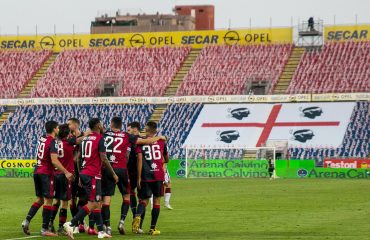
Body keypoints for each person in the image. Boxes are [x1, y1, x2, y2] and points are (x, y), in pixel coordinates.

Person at [101, 117, 167, 235]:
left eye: (130, 129)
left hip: (120, 170)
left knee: (138, 199)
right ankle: (134, 223)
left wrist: (139, 177)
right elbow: (163, 158)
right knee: (134, 197)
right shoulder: (128, 137)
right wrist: (161, 138)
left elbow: (139, 159)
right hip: (131, 172)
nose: (129, 130)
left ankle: (108, 226)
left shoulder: (106, 135)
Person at [64, 118, 118, 239]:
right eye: (102, 124)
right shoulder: (100, 139)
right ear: (98, 125)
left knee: (97, 202)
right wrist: (113, 174)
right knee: (93, 203)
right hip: (93, 174)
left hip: (84, 173)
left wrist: (80, 174)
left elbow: (78, 159)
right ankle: (71, 223)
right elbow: (104, 158)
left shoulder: (85, 138)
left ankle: (100, 231)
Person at [22, 121, 73, 236]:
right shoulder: (53, 141)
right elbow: (54, 160)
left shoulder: (42, 138)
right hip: (46, 173)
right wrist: (66, 172)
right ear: (55, 129)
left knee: (40, 199)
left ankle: (26, 221)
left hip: (37, 171)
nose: (58, 130)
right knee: (48, 200)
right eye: (57, 128)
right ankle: (44, 229)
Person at [132, 121, 169, 235]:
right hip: (158, 175)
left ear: (146, 130)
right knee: (157, 201)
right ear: (156, 130)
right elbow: (166, 158)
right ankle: (152, 229)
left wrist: (138, 177)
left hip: (145, 176)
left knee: (143, 201)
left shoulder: (141, 142)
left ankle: (137, 216)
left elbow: (139, 160)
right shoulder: (161, 142)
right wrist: (160, 162)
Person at [50, 124, 77, 235]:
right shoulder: (69, 144)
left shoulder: (54, 143)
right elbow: (78, 141)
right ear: (67, 134)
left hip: (55, 174)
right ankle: (61, 227)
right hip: (66, 175)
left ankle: (50, 223)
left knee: (55, 200)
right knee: (64, 202)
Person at [126, 121, 145, 234]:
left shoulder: (136, 140)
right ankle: (138, 224)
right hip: (142, 174)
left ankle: (135, 219)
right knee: (143, 199)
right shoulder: (141, 140)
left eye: (129, 130)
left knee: (132, 194)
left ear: (134, 129)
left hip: (132, 173)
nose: (127, 132)